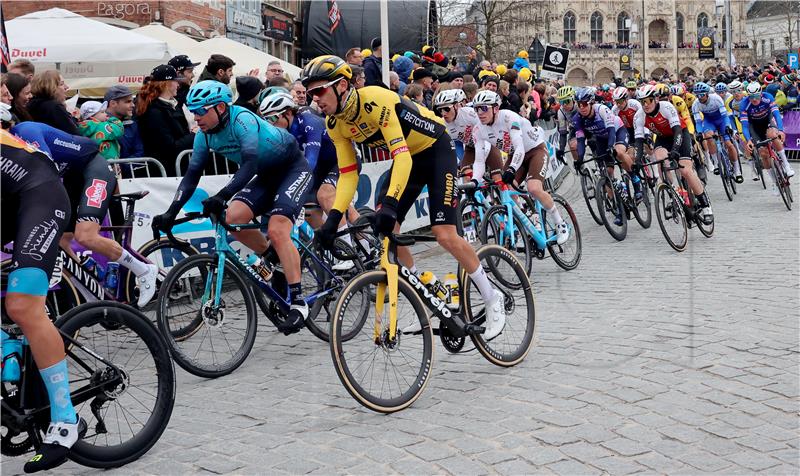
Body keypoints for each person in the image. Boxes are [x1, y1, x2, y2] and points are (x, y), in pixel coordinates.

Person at [302, 55, 508, 339]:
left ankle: (491, 295)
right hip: (409, 158)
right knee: (390, 233)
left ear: (342, 85)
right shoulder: (335, 124)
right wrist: (333, 220)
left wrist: (390, 204)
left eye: (319, 91)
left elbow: (400, 157)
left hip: (436, 150)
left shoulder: (375, 100)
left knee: (444, 233)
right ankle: (425, 293)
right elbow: (348, 174)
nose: (315, 99)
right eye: (310, 93)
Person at [151, 81, 313, 334]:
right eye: (193, 111)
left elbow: (248, 164)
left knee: (278, 229)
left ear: (220, 108)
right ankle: (273, 266)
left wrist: (222, 194)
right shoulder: (204, 136)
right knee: (231, 219)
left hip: (292, 169)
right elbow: (192, 174)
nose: (196, 117)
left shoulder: (242, 120)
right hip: (266, 176)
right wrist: (171, 212)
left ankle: (299, 303)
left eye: (201, 111)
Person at [1, 104, 83, 473]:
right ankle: (12, 359)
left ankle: (66, 421)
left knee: (22, 305)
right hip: (11, 202)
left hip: (41, 195)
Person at [9, 119, 159, 308]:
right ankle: (93, 297)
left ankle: (144, 270)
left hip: (94, 168)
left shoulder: (25, 131)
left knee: (85, 236)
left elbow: (45, 171)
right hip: (73, 177)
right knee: (62, 241)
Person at [259, 92, 361, 270]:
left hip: (342, 160)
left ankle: (351, 251)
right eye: (266, 120)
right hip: (321, 168)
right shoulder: (281, 133)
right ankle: (333, 248)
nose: (270, 124)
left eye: (273, 118)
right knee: (310, 211)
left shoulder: (308, 122)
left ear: (287, 113)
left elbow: (311, 160)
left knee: (326, 195)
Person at [471, 90, 570, 244]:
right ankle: (526, 221)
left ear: (495, 108)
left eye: (484, 108)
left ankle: (560, 223)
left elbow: (519, 148)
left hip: (534, 150)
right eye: (477, 109)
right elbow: (478, 161)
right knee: (507, 190)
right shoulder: (478, 129)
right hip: (515, 155)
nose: (480, 113)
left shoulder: (509, 117)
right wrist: (475, 181)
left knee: (534, 188)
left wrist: (511, 169)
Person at [638, 84, 713, 223]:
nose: (645, 105)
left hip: (680, 133)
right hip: (662, 137)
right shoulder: (640, 115)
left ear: (655, 99)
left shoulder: (667, 107)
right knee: (660, 162)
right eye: (642, 102)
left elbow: (678, 130)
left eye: (648, 101)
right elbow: (638, 139)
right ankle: (673, 193)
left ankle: (705, 205)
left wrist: (674, 150)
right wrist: (637, 160)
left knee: (685, 170)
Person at [572, 87, 642, 215]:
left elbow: (611, 131)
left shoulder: (601, 110)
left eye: (584, 104)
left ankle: (635, 180)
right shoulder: (578, 119)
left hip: (617, 131)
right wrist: (579, 159)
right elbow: (581, 141)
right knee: (606, 173)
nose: (581, 107)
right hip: (601, 139)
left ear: (592, 102)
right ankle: (618, 207)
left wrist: (611, 147)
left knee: (619, 152)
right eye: (578, 104)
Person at [433, 88, 503, 184]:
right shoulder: (443, 125)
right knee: (467, 177)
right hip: (470, 148)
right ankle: (479, 198)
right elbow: (445, 150)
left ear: (456, 106)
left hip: (488, 144)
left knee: (498, 179)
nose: (444, 113)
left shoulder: (470, 114)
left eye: (446, 109)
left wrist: (478, 163)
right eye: (440, 110)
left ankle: (512, 198)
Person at [136, 65, 195, 176]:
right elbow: (169, 147)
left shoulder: (172, 105)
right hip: (165, 172)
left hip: (177, 168)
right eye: (176, 81)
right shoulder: (154, 112)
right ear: (167, 84)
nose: (178, 84)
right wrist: (194, 135)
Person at [740, 82, 794, 193]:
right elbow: (745, 126)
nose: (754, 100)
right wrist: (748, 140)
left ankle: (786, 165)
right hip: (754, 126)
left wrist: (781, 130)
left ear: (760, 94)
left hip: (767, 120)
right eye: (751, 97)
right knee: (763, 153)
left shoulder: (767, 97)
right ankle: (775, 182)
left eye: (756, 96)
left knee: (772, 135)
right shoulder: (744, 104)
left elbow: (777, 115)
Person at [692, 82, 741, 182]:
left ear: (707, 94)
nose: (699, 97)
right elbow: (698, 122)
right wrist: (699, 133)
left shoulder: (716, 98)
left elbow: (724, 116)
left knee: (729, 144)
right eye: (697, 95)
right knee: (709, 137)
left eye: (701, 95)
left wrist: (727, 126)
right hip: (709, 122)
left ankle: (737, 170)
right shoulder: (695, 104)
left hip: (722, 120)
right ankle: (715, 162)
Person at [104, 85, 144, 160]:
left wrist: (121, 167)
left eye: (132, 101)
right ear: (113, 103)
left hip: (127, 170)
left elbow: (139, 152)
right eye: (128, 101)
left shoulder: (132, 124)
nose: (133, 105)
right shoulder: (97, 124)